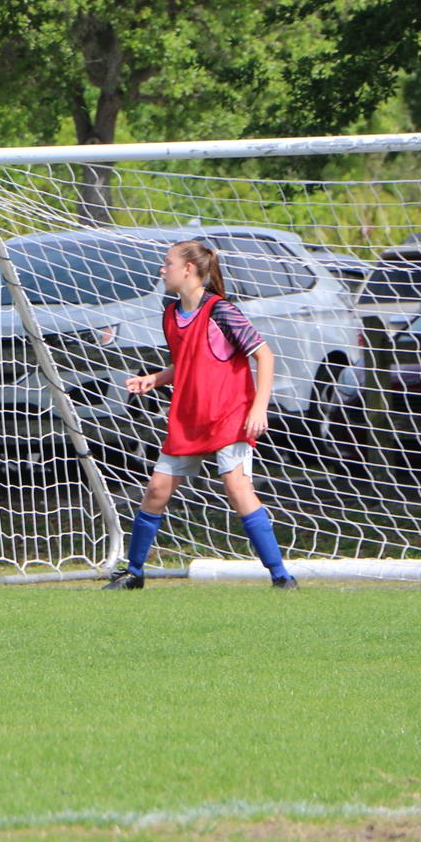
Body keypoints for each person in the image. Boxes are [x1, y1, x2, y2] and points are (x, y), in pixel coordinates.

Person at [107, 239, 295, 590]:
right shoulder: (170, 314)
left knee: (237, 487)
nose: (162, 269)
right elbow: (189, 363)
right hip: (189, 416)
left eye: (168, 263)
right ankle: (134, 573)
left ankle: (281, 577)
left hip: (229, 414)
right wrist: (155, 378)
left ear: (188, 269)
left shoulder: (221, 311)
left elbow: (265, 355)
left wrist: (259, 408)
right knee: (156, 490)